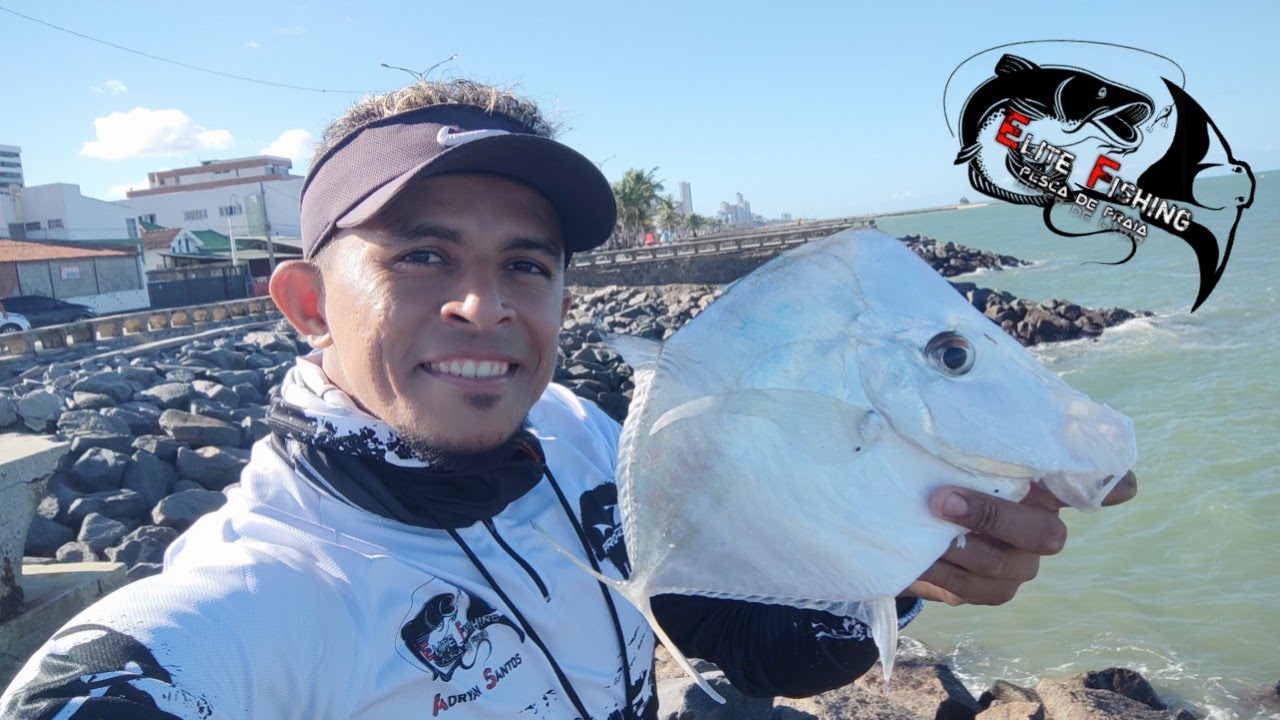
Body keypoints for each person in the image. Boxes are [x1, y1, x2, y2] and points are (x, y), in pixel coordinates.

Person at [1, 80, 1135, 719]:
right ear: (304, 300)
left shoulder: (571, 436)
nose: (483, 305)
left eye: (526, 265)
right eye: (421, 258)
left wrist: (899, 562)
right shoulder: (249, 605)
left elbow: (742, 642)